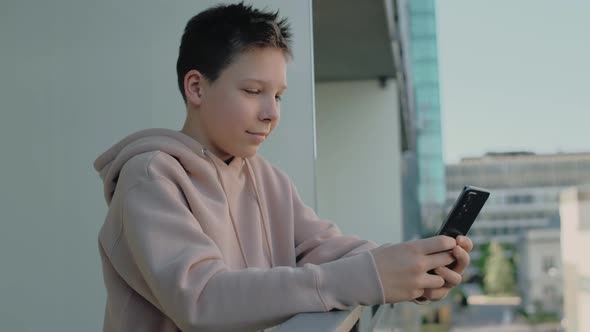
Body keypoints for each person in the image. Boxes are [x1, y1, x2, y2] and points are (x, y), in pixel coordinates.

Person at [93, 3, 473, 331]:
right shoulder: (150, 177)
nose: (271, 113)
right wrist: (369, 276)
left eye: (278, 96)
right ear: (196, 88)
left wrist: (412, 265)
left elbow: (326, 249)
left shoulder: (266, 178)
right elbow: (202, 300)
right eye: (253, 92)